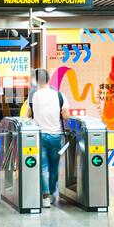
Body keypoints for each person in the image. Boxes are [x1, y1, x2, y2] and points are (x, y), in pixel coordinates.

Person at [26, 68, 70, 208]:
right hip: (56, 136)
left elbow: (27, 115)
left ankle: (45, 197)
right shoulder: (59, 95)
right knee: (54, 167)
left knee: (43, 166)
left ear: (36, 81)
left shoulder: (33, 95)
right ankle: (52, 194)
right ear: (49, 79)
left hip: (40, 136)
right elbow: (66, 116)